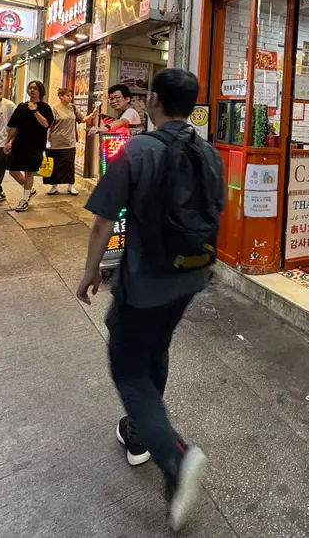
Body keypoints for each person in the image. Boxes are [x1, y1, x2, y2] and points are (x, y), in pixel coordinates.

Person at [76, 68, 224, 531]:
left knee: (127, 367)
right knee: (156, 346)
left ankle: (174, 456)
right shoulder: (209, 152)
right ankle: (141, 430)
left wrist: (90, 271)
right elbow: (217, 210)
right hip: (192, 275)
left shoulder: (138, 149)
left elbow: (103, 219)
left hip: (146, 280)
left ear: (154, 100)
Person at [4, 80, 53, 212]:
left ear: (40, 91)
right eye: (30, 88)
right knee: (12, 170)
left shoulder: (45, 107)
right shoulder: (21, 106)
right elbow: (14, 126)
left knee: (28, 172)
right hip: (19, 143)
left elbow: (46, 124)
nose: (32, 90)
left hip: (35, 145)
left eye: (35, 88)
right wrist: (8, 142)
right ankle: (29, 191)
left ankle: (24, 200)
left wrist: (35, 111)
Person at [45, 88, 97, 196]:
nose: (70, 97)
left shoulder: (72, 107)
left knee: (69, 164)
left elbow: (82, 119)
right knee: (55, 165)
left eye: (71, 95)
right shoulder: (54, 109)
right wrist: (47, 141)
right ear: (61, 96)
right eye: (68, 95)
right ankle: (54, 186)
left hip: (70, 141)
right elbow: (48, 126)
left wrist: (92, 115)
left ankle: (70, 186)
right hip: (56, 142)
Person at [0, 79, 15, 203]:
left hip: (1, 143)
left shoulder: (9, 105)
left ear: (1, 90)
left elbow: (16, 125)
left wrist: (10, 141)